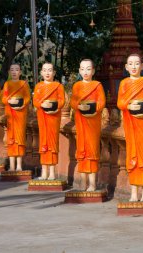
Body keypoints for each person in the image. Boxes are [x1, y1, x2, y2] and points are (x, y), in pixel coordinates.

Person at [117, 54, 143, 202]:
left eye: (136, 64)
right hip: (130, 123)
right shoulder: (124, 83)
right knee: (132, 156)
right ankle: (133, 192)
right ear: (126, 67)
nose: (134, 67)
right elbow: (120, 102)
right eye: (130, 64)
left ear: (142, 66)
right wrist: (128, 105)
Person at [70, 59, 106, 191]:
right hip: (81, 121)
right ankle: (82, 183)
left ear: (93, 71)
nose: (85, 72)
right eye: (83, 69)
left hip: (93, 122)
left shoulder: (97, 85)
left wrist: (93, 107)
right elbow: (72, 102)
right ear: (79, 71)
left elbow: (102, 102)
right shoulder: (77, 86)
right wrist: (79, 106)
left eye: (88, 69)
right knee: (82, 150)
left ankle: (92, 184)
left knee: (92, 151)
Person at [33, 63, 65, 180]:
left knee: (52, 143)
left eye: (50, 70)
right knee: (43, 143)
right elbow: (35, 101)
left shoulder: (58, 86)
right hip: (43, 116)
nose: (47, 73)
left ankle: (52, 172)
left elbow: (62, 101)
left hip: (54, 117)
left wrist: (55, 106)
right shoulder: (38, 86)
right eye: (45, 70)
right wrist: (42, 103)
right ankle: (44, 171)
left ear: (54, 73)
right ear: (41, 73)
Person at [2, 63, 31, 171]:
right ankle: (12, 165)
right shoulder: (7, 84)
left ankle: (19, 165)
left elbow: (27, 98)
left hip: (20, 113)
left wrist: (22, 103)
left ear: (20, 72)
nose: (14, 72)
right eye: (12, 70)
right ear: (9, 72)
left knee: (20, 139)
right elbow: (3, 99)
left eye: (17, 70)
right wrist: (9, 101)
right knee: (11, 139)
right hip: (10, 114)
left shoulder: (24, 84)